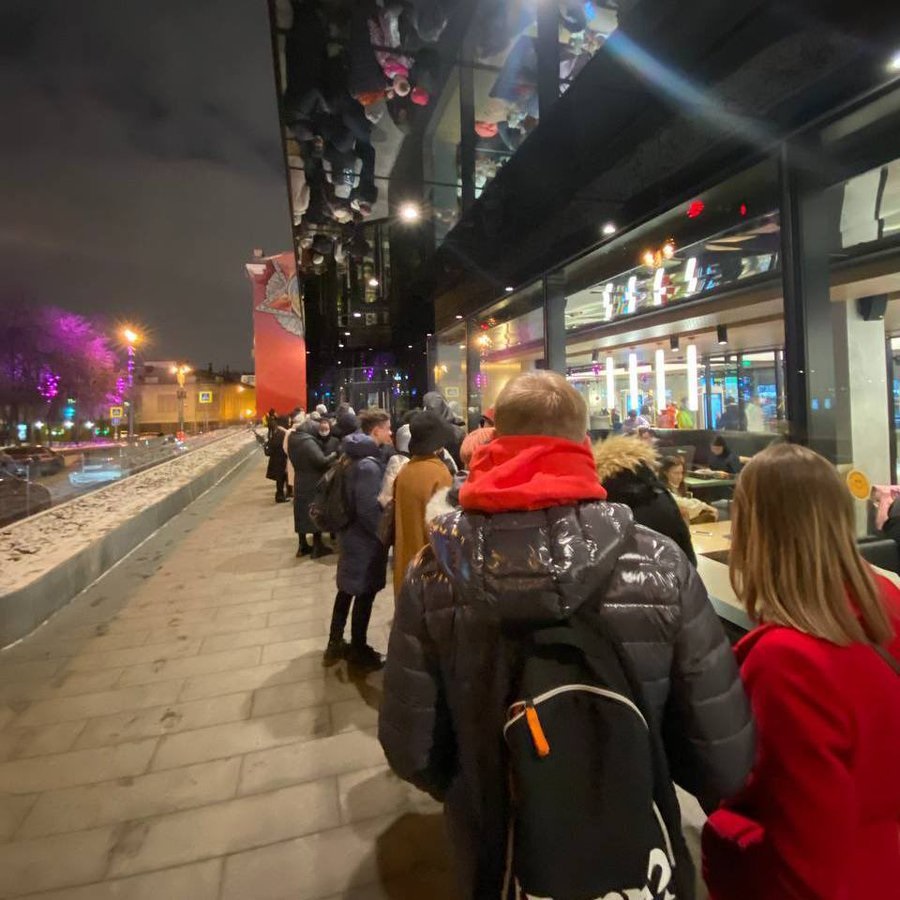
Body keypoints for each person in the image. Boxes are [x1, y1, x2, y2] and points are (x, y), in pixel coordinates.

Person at [380, 371, 754, 899]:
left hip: (496, 848)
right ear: (583, 446)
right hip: (636, 852)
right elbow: (724, 755)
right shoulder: (660, 564)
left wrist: (479, 780)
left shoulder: (433, 572)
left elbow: (410, 747)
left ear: (497, 442)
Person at [702, 444, 900, 900]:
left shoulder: (788, 663)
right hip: (880, 868)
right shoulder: (882, 608)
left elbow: (806, 857)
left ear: (753, 531)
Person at [326, 408, 394, 672]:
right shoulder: (367, 465)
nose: (390, 433)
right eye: (387, 428)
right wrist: (384, 534)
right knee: (364, 593)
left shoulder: (350, 455)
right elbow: (368, 510)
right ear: (375, 430)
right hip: (363, 542)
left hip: (350, 536)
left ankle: (335, 643)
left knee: (346, 590)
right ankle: (358, 649)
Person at [594, 434, 697, 565]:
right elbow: (688, 554)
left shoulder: (603, 504)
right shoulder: (660, 493)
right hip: (673, 576)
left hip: (627, 581)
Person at [391, 412, 454, 597]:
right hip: (429, 570)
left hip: (406, 566)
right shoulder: (439, 473)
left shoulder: (405, 471)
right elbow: (444, 530)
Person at [289, 417, 339, 558]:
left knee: (300, 512)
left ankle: (302, 545)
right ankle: (318, 547)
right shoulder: (307, 442)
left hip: (300, 479)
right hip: (312, 481)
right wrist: (334, 455)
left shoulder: (293, 439)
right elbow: (321, 461)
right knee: (314, 510)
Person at [659, 455, 719, 525]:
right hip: (670, 523)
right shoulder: (662, 489)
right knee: (709, 514)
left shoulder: (679, 487)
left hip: (682, 520)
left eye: (681, 473)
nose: (680, 477)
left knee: (709, 514)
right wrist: (704, 506)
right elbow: (682, 503)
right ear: (665, 473)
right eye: (676, 473)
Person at [264, 416, 290, 503]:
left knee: (281, 479)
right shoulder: (282, 434)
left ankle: (281, 495)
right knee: (281, 479)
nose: (289, 423)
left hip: (278, 460)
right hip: (280, 460)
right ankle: (280, 496)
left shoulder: (278, 432)